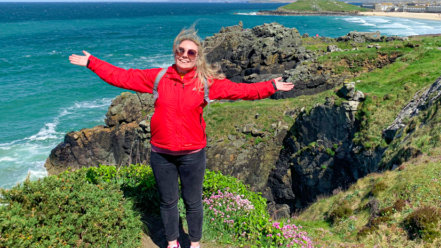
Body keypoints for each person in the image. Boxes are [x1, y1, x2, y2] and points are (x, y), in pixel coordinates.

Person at [69, 27, 294, 248]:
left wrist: (271, 86)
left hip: (192, 154)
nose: (184, 55)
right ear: (175, 51)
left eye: (191, 52)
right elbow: (122, 77)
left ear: (197, 57)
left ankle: (194, 244)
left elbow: (242, 91)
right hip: (161, 154)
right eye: (181, 50)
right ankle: (172, 243)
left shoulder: (205, 82)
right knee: (168, 202)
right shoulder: (158, 77)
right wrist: (92, 63)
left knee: (193, 202)